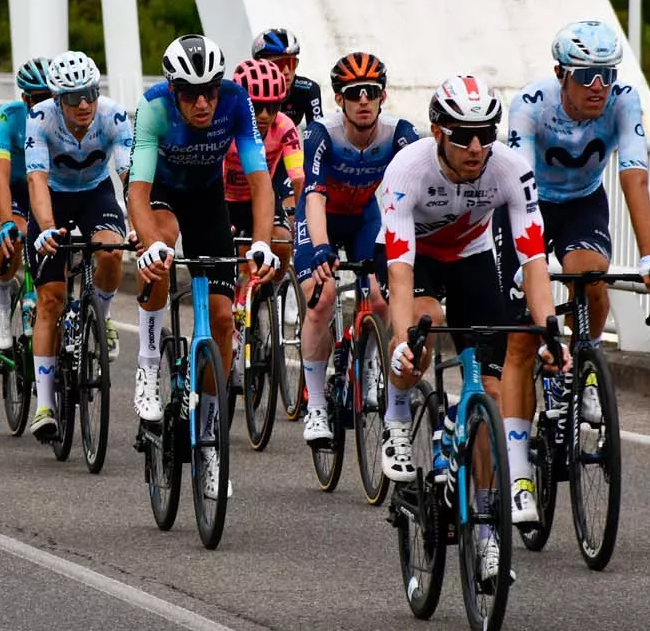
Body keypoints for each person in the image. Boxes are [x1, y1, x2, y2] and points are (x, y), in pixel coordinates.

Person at [378, 76, 562, 558]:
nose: (477, 145)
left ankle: (484, 523)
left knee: (491, 393)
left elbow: (533, 259)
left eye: (486, 132)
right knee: (419, 331)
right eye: (463, 134)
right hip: (414, 259)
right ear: (437, 131)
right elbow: (399, 272)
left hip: (470, 256)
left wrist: (549, 333)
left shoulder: (509, 169)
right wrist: (402, 341)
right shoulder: (407, 170)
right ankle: (396, 419)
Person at [128, 34, 279, 499]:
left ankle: (210, 441)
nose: (201, 102)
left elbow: (260, 182)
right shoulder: (153, 108)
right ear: (173, 90)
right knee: (163, 243)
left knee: (219, 318)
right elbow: (136, 189)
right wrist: (150, 243)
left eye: (209, 90)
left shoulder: (236, 103)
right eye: (190, 92)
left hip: (208, 200)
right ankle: (149, 364)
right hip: (163, 196)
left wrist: (260, 243)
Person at [505, 19, 650, 424]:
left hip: (582, 201)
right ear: (561, 74)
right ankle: (543, 364)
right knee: (523, 309)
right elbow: (522, 187)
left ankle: (584, 368)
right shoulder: (530, 105)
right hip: (528, 202)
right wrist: (527, 269)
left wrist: (649, 258)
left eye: (608, 73)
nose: (598, 85)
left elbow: (634, 176)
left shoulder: (624, 101)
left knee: (590, 275)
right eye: (585, 75)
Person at [293, 53, 419, 444]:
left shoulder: (398, 134)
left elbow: (422, 184)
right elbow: (313, 196)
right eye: (353, 93)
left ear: (383, 96)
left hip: (366, 216)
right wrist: (319, 247)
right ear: (338, 99)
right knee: (323, 296)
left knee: (382, 298)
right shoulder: (322, 133)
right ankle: (315, 405)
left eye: (371, 92)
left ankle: (368, 368)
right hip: (322, 216)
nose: (363, 100)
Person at [24, 51, 134, 437]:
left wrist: (137, 226)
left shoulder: (113, 115)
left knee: (111, 252)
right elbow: (36, 179)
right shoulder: (39, 118)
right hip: (52, 196)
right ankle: (44, 405)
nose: (84, 103)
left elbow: (129, 175)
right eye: (73, 98)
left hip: (94, 195)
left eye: (89, 93)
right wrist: (47, 228)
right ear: (57, 99)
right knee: (51, 299)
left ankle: (99, 317)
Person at [223, 58, 305, 345]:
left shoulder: (284, 126)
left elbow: (297, 176)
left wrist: (303, 213)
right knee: (241, 253)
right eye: (257, 106)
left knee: (283, 240)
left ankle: (272, 298)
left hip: (260, 198)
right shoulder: (227, 124)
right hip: (225, 200)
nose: (266, 114)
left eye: (274, 105)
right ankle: (234, 303)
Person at [0, 56, 52, 352]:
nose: (45, 104)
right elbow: (0, 174)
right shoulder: (8, 117)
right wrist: (6, 220)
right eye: (38, 98)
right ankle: (1, 300)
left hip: (43, 187)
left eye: (51, 96)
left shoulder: (62, 118)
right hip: (12, 188)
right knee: (15, 235)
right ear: (25, 98)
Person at [251, 27, 324, 129]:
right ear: (260, 66)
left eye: (291, 63)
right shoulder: (245, 90)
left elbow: (318, 134)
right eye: (279, 64)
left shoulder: (309, 89)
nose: (286, 71)